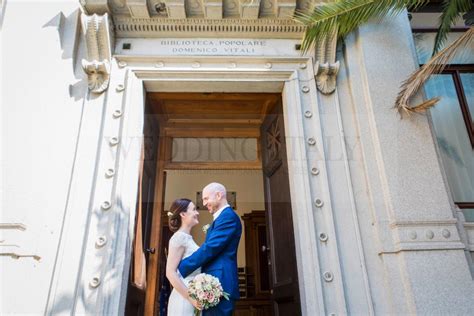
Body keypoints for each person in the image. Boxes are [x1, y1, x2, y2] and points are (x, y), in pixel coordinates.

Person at [178, 183, 242, 316]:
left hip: (221, 282)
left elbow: (211, 247)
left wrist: (182, 267)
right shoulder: (221, 218)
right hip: (214, 283)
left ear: (219, 195)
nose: (204, 203)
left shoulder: (228, 217)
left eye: (206, 198)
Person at [166, 198, 202, 316]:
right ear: (182, 214)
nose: (197, 213)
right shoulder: (179, 238)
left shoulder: (187, 238)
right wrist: (190, 297)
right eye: (194, 210)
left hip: (193, 295)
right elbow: (170, 273)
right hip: (184, 298)